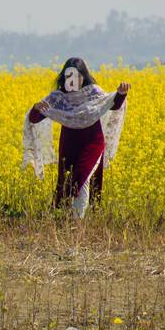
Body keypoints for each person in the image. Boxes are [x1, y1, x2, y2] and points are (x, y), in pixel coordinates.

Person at [23, 57, 129, 217]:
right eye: (68, 76)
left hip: (92, 143)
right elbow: (34, 118)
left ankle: (77, 223)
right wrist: (36, 108)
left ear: (82, 76)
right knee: (66, 184)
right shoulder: (58, 98)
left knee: (82, 179)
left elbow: (112, 104)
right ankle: (66, 219)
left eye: (76, 76)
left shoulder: (93, 92)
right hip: (69, 145)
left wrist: (121, 94)